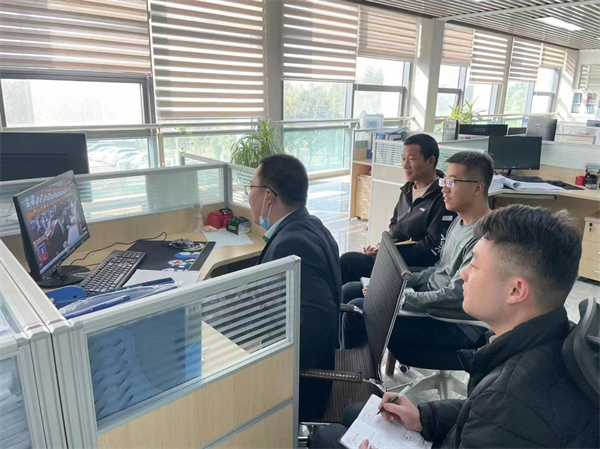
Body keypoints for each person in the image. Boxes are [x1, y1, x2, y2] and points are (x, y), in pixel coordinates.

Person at [311, 205, 600, 449]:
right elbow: (478, 412)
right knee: (356, 413)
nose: (464, 273)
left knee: (326, 437)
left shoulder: (510, 399)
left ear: (515, 291)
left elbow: (492, 411)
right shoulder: (551, 336)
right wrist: (425, 417)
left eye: (475, 265)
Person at [343, 151, 493, 354]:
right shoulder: (459, 220)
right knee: (350, 291)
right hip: (429, 301)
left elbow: (456, 295)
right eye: (444, 181)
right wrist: (395, 285)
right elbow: (439, 269)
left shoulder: (485, 237)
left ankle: (356, 372)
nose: (444, 189)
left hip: (451, 323)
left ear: (477, 188)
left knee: (356, 312)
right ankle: (337, 364)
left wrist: (399, 298)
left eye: (452, 182)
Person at [249, 154, 342, 422]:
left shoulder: (291, 244)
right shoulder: (311, 224)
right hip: (312, 366)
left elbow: (318, 318)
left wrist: (265, 353)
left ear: (268, 196)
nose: (249, 197)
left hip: (301, 387)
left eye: (251, 189)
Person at [340, 134, 455, 304]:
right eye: (403, 159)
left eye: (412, 159)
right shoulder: (408, 189)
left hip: (408, 267)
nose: (405, 165)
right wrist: (381, 248)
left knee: (350, 285)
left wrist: (390, 255)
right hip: (393, 259)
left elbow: (432, 247)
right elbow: (395, 225)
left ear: (431, 161)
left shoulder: (442, 198)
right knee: (347, 260)